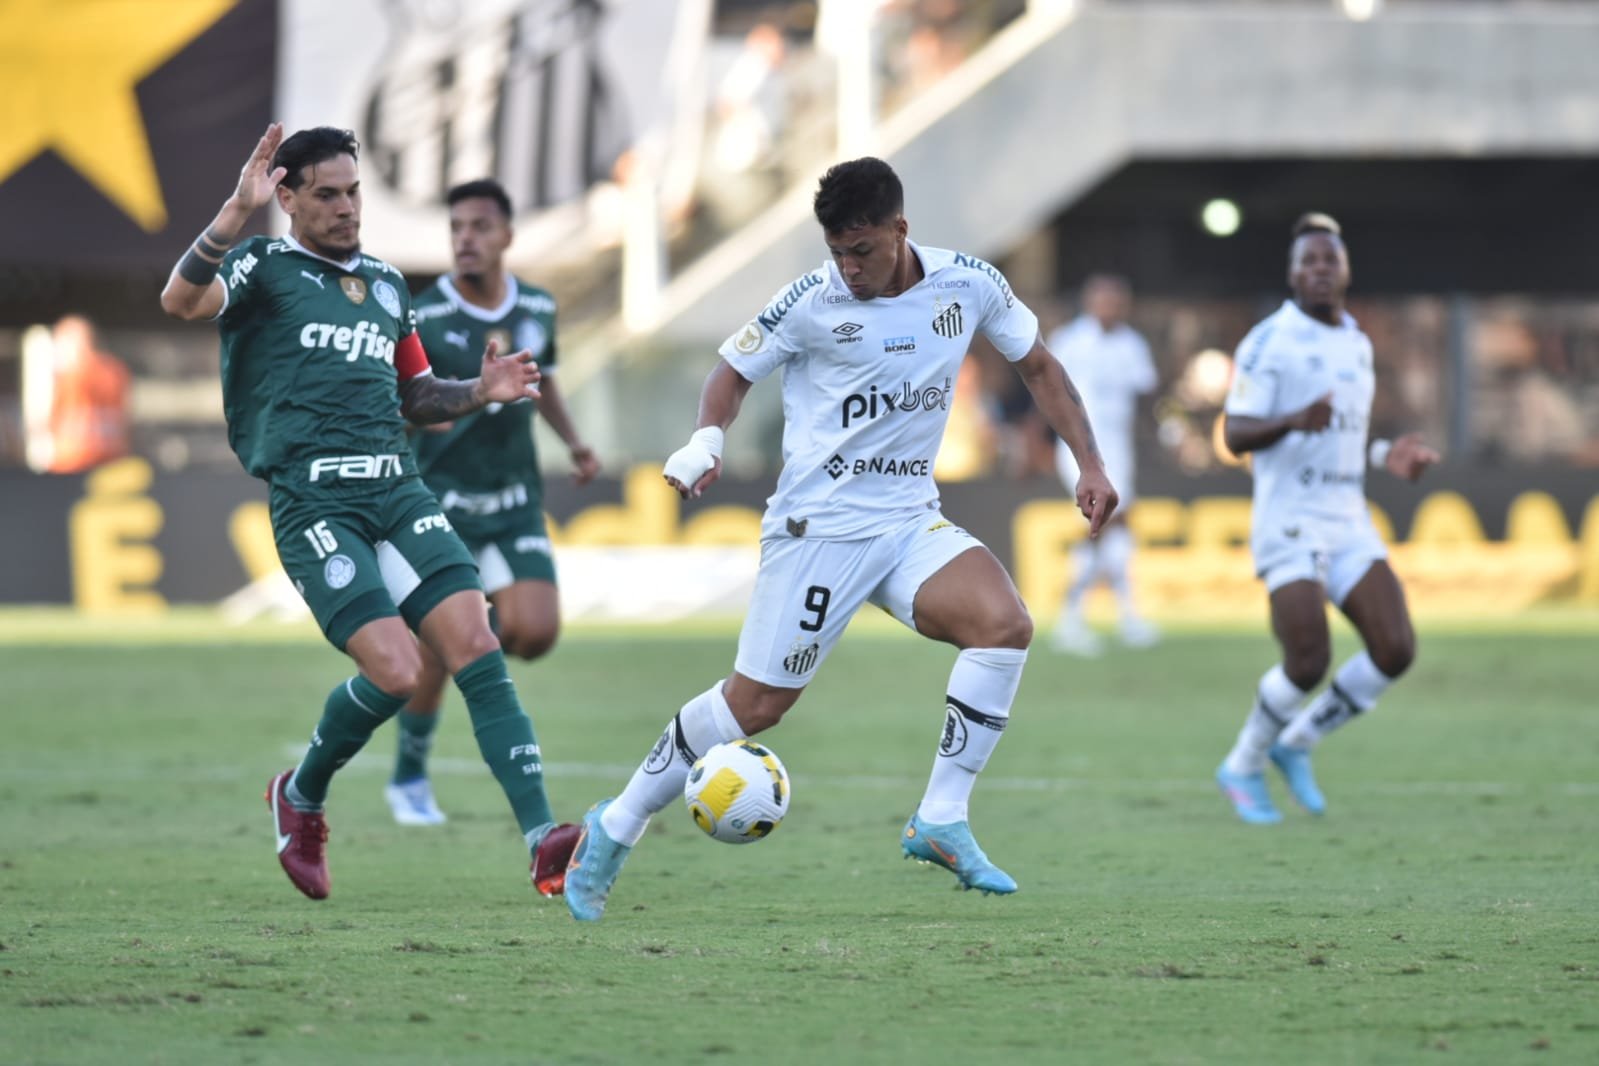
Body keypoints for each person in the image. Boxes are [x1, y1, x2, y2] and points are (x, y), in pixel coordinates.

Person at [563, 156, 1116, 921]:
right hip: (817, 527)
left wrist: (1087, 462)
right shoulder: (811, 301)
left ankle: (941, 819)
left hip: (905, 519)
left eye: (861, 251)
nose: (848, 269)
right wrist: (706, 440)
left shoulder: (968, 284)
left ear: (900, 230)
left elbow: (1041, 368)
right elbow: (731, 370)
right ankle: (616, 824)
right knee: (755, 706)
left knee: (1004, 624)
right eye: (836, 252)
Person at [158, 123, 578, 898]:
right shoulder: (261, 264)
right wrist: (230, 215)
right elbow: (180, 298)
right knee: (394, 672)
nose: (348, 209)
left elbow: (416, 395)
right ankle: (302, 794)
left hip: (397, 490)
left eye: (354, 192)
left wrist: (479, 392)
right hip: (315, 500)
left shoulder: (386, 285)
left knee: (475, 641)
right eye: (327, 195)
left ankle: (542, 839)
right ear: (285, 198)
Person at [383, 178, 600, 827]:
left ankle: (455, 645)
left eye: (479, 227)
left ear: (506, 235)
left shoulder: (536, 304)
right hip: (443, 503)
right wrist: (422, 418)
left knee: (535, 632)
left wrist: (574, 443)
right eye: (456, 229)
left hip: (512, 499)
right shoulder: (425, 314)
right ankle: (408, 777)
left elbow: (545, 380)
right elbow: (402, 398)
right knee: (447, 638)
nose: (465, 239)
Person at [1214, 212, 1440, 825]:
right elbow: (1234, 432)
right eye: (1308, 261)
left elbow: (1343, 433)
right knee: (1308, 660)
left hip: (1347, 517)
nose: (1319, 270)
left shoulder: (1357, 342)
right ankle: (1243, 762)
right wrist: (1290, 421)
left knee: (1396, 649)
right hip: (1289, 518)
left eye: (1329, 260)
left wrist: (1384, 455)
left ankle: (1298, 742)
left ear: (1345, 271)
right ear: (1292, 274)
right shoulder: (1268, 341)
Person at [1046, 275, 1160, 655]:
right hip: (1080, 452)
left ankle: (1104, 617)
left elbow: (1145, 398)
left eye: (1117, 301)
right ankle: (1084, 617)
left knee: (1109, 530)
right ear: (1089, 302)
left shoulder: (1132, 345)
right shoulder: (1070, 341)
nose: (1110, 308)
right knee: (1105, 524)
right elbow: (1046, 391)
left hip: (1119, 451)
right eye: (1104, 300)